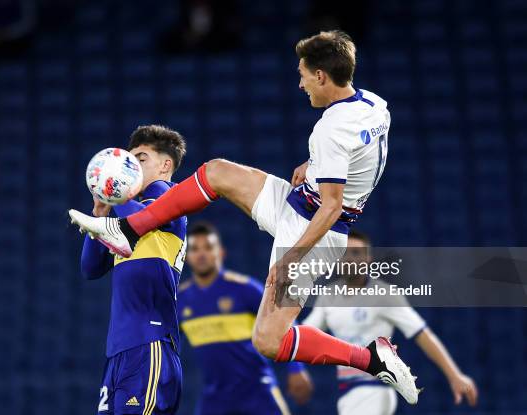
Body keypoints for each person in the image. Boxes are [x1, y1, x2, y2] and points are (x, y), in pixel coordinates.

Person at [69, 30, 420, 404]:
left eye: (302, 74)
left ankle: (371, 358)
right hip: (298, 202)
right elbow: (365, 154)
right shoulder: (373, 105)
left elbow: (332, 206)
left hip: (315, 232)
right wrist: (316, 166)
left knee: (268, 340)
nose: (300, 83)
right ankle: (126, 229)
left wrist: (291, 258)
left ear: (321, 75)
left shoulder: (330, 130)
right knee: (217, 171)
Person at [302, 230, 478, 415]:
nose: (350, 259)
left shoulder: (385, 295)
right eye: (345, 253)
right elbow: (304, 335)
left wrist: (454, 375)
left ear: (368, 258)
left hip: (375, 389)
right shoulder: (328, 296)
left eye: (356, 253)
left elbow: (422, 333)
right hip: (347, 391)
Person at [79, 125, 188, 415]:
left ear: (166, 165)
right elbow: (90, 268)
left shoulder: (168, 196)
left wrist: (119, 195)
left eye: (139, 159)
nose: (129, 167)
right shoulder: (127, 214)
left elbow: (146, 217)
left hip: (149, 343)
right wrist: (100, 214)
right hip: (119, 349)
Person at [179, 222, 313, 415]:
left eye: (208, 247)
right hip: (214, 397)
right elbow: (170, 344)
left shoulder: (245, 289)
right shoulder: (182, 300)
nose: (201, 254)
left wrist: (296, 369)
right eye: (194, 249)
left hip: (258, 390)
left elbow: (283, 320)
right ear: (186, 256)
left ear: (221, 253)